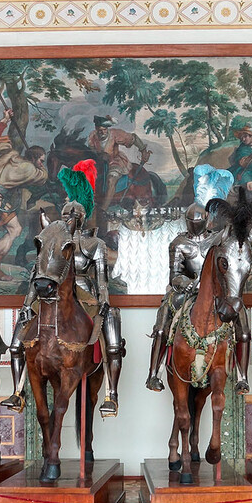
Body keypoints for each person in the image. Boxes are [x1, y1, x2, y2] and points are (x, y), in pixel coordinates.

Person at [2, 161, 125, 418]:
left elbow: (101, 279)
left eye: (74, 215)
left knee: (112, 329)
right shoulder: (53, 241)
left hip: (86, 292)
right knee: (18, 341)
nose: (69, 218)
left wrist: (103, 301)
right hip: (54, 291)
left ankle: (111, 394)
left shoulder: (95, 244)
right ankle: (17, 391)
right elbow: (39, 273)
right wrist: (27, 304)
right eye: (66, 214)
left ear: (82, 216)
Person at [145, 203, 209, 392]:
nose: (196, 225)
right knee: (162, 325)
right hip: (185, 291)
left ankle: (242, 375)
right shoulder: (178, 243)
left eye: (199, 221)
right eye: (192, 222)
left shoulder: (216, 241)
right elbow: (174, 275)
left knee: (240, 320)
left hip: (211, 292)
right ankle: (154, 374)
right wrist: (188, 283)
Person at [0, 109, 49, 281]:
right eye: (41, 160)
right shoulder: (29, 169)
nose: (42, 163)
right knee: (15, 229)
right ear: (35, 159)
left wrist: (5, 119)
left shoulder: (8, 153)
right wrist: (40, 166)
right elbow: (42, 178)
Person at [87, 114, 151, 205]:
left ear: (107, 128)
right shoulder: (92, 136)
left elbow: (133, 138)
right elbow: (91, 149)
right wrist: (99, 155)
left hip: (115, 161)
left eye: (104, 130)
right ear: (96, 128)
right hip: (99, 162)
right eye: (100, 130)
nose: (102, 132)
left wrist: (143, 151)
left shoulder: (115, 134)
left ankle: (104, 207)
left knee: (111, 179)